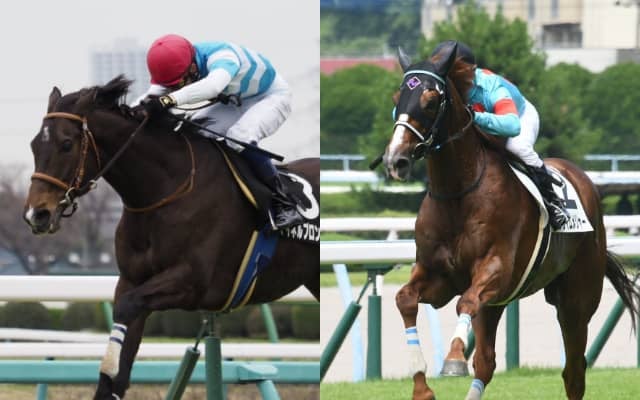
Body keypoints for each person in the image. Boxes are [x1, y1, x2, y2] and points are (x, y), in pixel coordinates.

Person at [137, 33, 303, 230]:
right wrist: (130, 112)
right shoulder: (180, 65)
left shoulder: (222, 57)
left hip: (271, 97)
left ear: (192, 67)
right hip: (237, 99)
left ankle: (285, 202)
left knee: (239, 136)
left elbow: (213, 86)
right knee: (193, 131)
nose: (173, 89)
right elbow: (150, 96)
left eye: (177, 84)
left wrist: (169, 100)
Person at [430, 40, 569, 230]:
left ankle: (554, 203)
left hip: (519, 116)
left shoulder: (490, 85)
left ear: (472, 70)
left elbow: (511, 126)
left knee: (517, 147)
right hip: (482, 122)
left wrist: (475, 116)